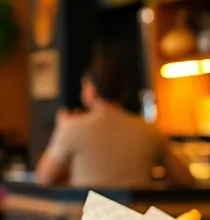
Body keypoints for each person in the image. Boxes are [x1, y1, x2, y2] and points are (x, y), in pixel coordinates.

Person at [35, 54, 191, 188]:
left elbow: (43, 177)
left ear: (91, 91)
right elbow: (184, 178)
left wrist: (60, 128)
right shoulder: (150, 130)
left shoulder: (72, 127)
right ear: (123, 91)